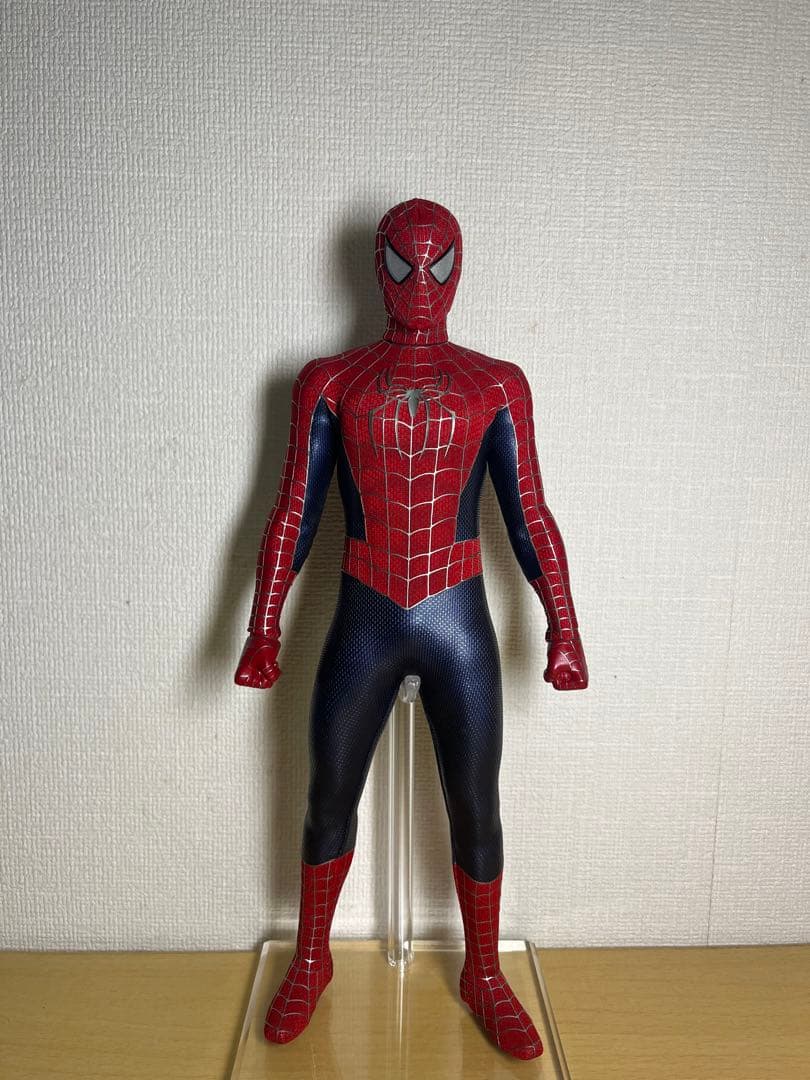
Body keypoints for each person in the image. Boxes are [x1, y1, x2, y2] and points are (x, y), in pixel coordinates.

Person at [235, 198, 588, 1060]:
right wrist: (261, 629)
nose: (421, 283)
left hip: (457, 614)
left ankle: (484, 972)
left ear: (461, 267)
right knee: (328, 793)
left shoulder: (496, 384)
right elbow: (292, 511)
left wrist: (565, 628)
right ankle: (311, 958)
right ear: (376, 267)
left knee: (476, 802)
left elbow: (530, 515)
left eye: (438, 263)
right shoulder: (330, 381)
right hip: (364, 610)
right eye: (402, 263)